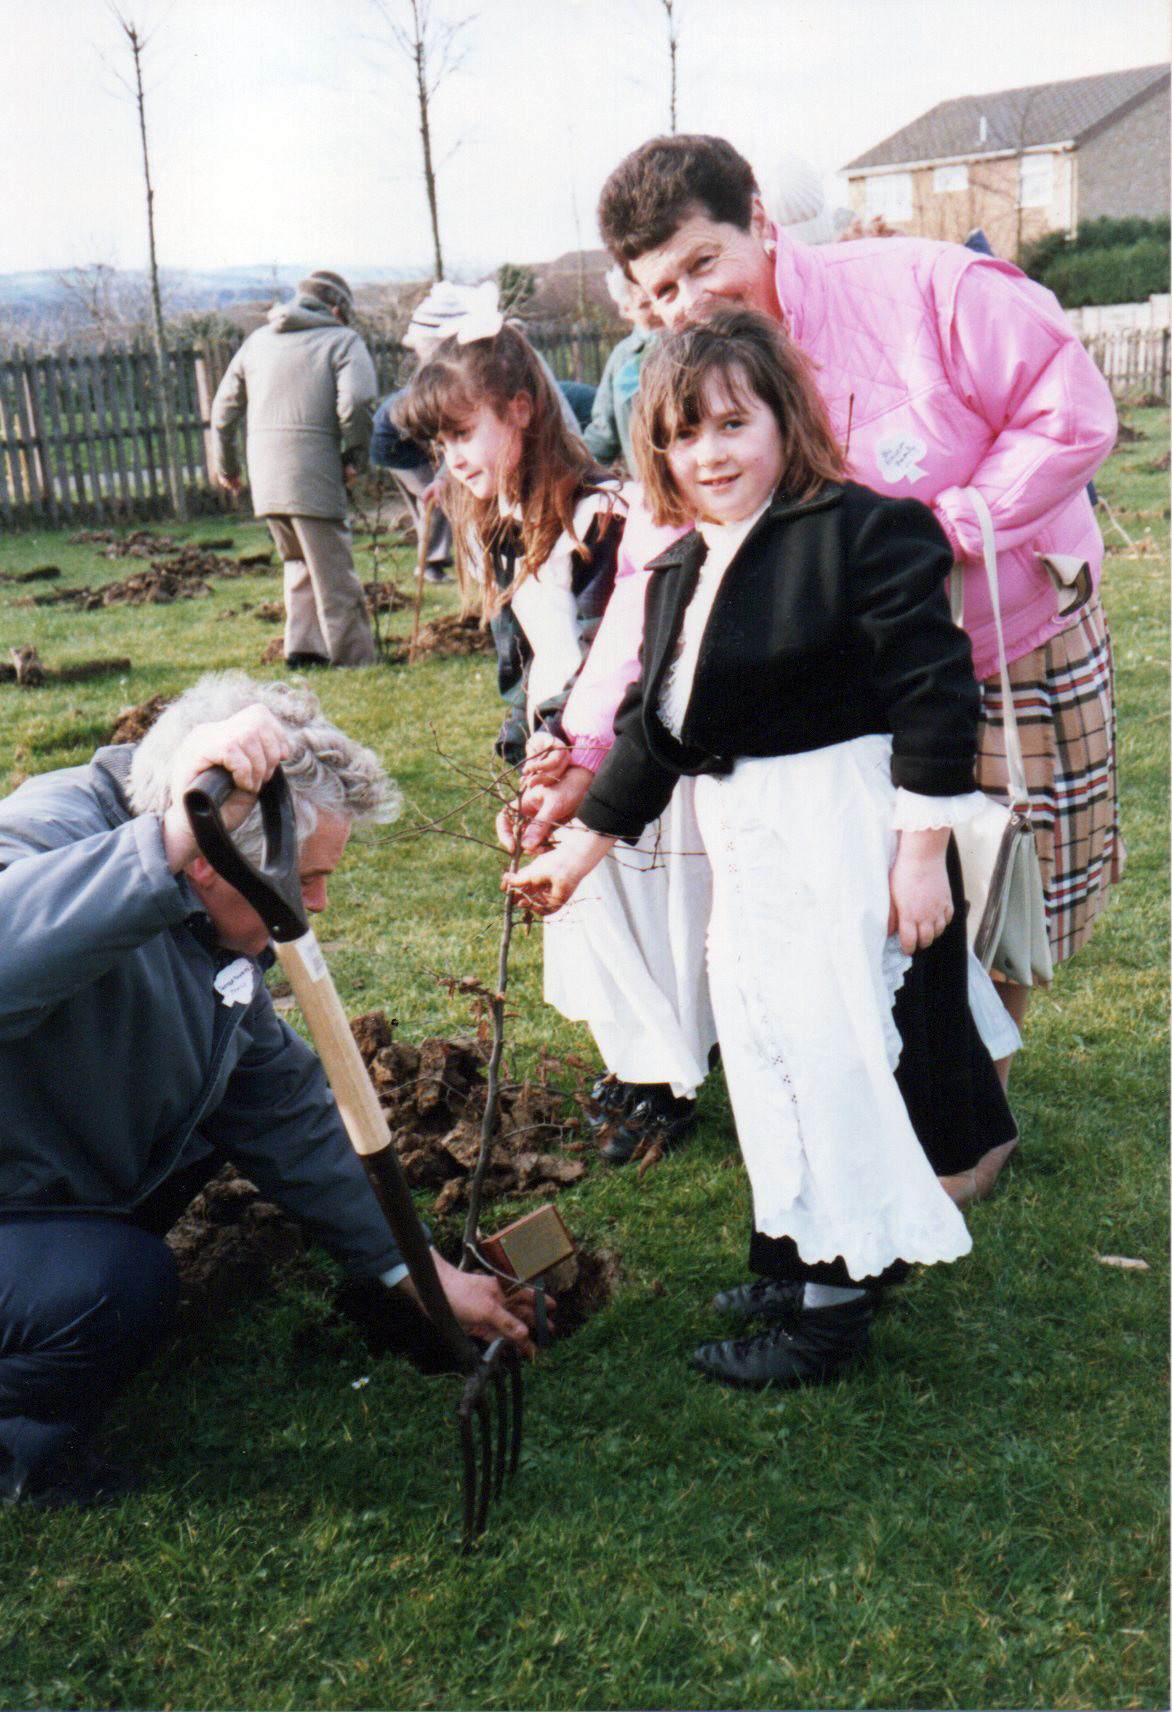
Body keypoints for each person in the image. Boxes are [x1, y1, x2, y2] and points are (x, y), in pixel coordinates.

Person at [536, 132, 1118, 1128]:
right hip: (846, 680)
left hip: (1000, 626)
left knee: (999, 867)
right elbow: (648, 575)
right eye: (659, 290)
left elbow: (1065, 414)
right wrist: (583, 744)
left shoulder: (924, 288)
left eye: (701, 263)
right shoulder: (689, 381)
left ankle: (976, 1108)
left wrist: (932, 533)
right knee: (898, 879)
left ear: (758, 222)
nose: (686, 303)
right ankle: (920, 1084)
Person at [506, 310, 1017, 1390]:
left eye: (734, 422)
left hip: (838, 828)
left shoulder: (866, 531)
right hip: (744, 841)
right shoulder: (682, 567)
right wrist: (578, 847)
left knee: (829, 1050)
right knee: (765, 1039)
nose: (712, 453)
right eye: (685, 435)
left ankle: (830, 1311)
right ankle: (797, 1250)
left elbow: (935, 694)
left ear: (784, 418)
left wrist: (919, 852)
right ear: (658, 451)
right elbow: (659, 733)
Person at [0, 673, 543, 1509]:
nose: (317, 905)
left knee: (217, 1126)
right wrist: (174, 838)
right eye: (309, 879)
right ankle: (20, 1457)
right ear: (216, 866)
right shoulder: (49, 832)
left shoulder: (210, 935)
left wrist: (416, 1271)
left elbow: (280, 1105)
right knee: (114, 1285)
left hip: (35, 1178)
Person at [394, 311, 715, 1163]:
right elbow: (527, 658)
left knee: (645, 911)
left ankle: (667, 1076)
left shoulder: (602, 514)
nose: (454, 458)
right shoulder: (503, 521)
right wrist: (528, 742)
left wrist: (567, 738)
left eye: (464, 432)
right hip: (556, 742)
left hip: (619, 743)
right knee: (590, 915)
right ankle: (636, 1059)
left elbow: (625, 646)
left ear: (521, 408)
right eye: (439, 444)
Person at [211, 270, 378, 668]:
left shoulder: (257, 342)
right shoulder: (342, 340)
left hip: (267, 479)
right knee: (334, 573)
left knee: (298, 561)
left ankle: (304, 650)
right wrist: (354, 457)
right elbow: (356, 402)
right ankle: (355, 661)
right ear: (337, 309)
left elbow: (222, 412)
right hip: (314, 473)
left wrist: (228, 467)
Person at [583, 267, 662, 470]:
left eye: (659, 297)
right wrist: (576, 470)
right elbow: (604, 432)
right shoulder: (622, 358)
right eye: (644, 305)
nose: (656, 310)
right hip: (648, 480)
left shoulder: (691, 344)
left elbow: (693, 410)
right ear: (626, 311)